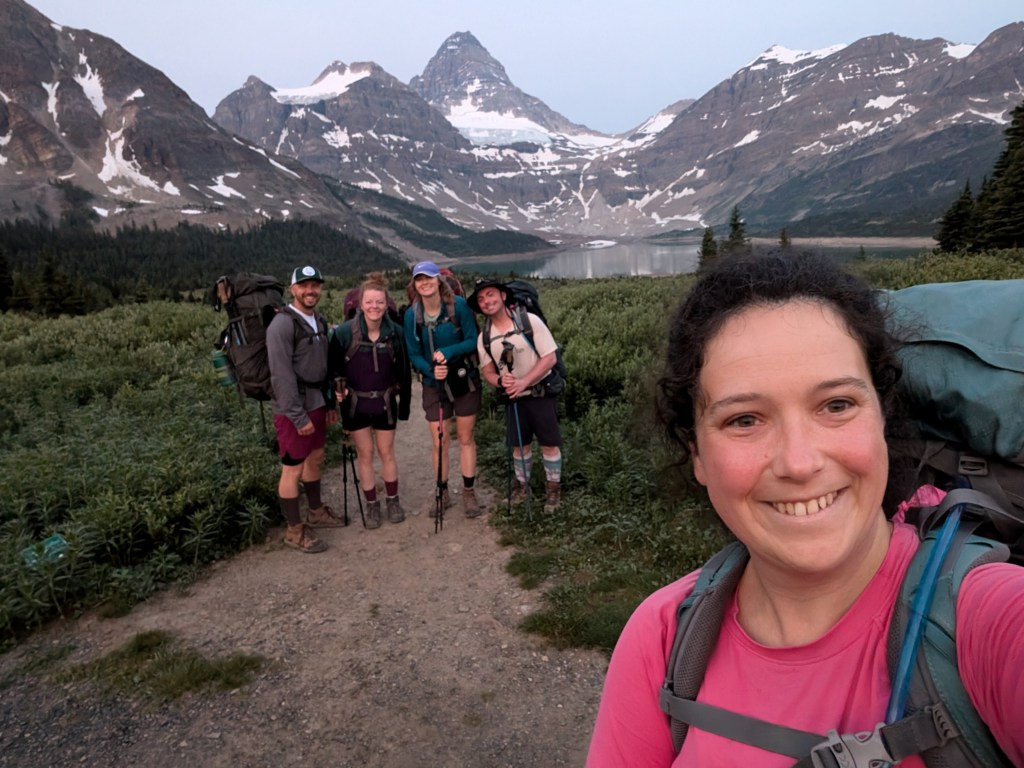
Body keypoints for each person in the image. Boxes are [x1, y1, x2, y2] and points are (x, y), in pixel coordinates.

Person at [585, 252, 1024, 766]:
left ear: (882, 416)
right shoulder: (662, 638)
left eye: (836, 405)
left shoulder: (988, 620)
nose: (798, 462)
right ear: (697, 453)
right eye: (745, 419)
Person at [469, 277, 563, 512]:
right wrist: (501, 381)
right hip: (513, 397)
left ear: (503, 296)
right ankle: (523, 487)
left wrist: (523, 382)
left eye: (490, 295)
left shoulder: (529, 322)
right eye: (481, 299)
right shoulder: (485, 337)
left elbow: (550, 358)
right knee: (519, 447)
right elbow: (488, 372)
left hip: (540, 392)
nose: (486, 301)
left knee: (549, 444)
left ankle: (553, 491)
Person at [267, 265, 342, 554]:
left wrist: (330, 404)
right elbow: (280, 376)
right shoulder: (282, 325)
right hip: (293, 409)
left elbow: (323, 369)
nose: (310, 291)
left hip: (318, 403)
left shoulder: (318, 321)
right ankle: (294, 530)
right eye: (304, 286)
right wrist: (297, 416)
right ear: (293, 289)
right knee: (292, 467)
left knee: (316, 457)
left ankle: (315, 510)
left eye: (315, 286)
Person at [328, 272, 411, 529]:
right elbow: (332, 370)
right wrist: (336, 393)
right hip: (355, 405)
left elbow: (405, 372)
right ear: (360, 304)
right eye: (369, 302)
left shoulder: (396, 333)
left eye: (379, 302)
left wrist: (404, 406)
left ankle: (392, 500)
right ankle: (372, 503)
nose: (374, 307)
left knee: (387, 453)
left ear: (386, 304)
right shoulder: (343, 334)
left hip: (385, 402)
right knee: (365, 454)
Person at [403, 261, 484, 518]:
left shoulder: (458, 306)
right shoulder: (411, 315)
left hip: (464, 379)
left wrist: (447, 353)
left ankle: (469, 492)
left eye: (428, 278)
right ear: (415, 284)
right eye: (419, 279)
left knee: (465, 437)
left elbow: (473, 340)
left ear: (439, 280)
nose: (424, 283)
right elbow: (413, 353)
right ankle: (443, 491)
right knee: (440, 440)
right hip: (433, 384)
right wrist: (430, 370)